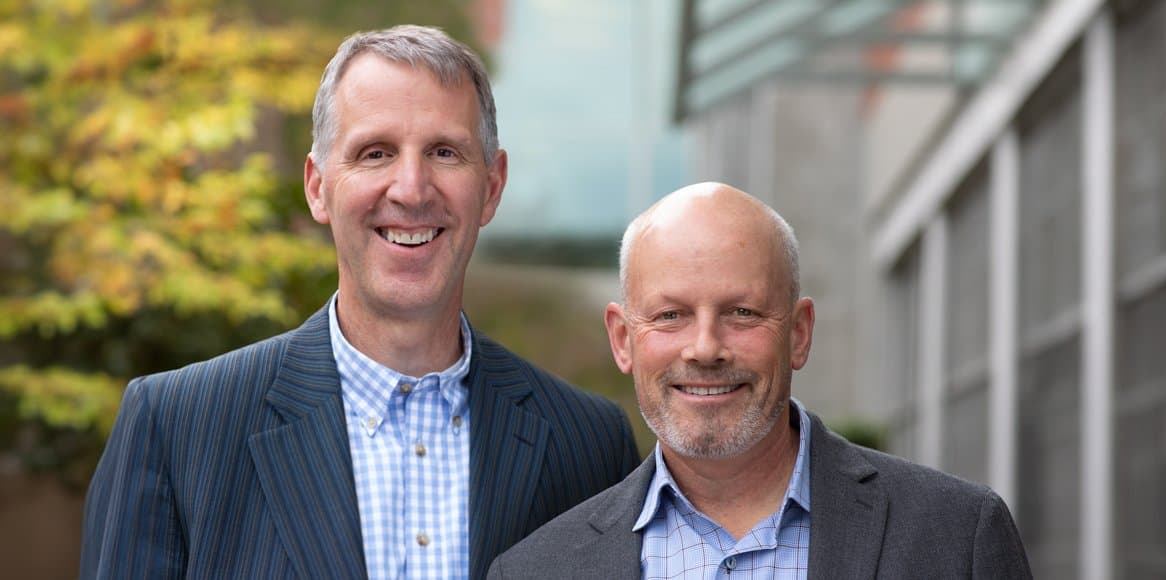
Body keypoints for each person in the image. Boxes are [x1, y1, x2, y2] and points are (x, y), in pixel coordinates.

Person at [80, 25, 639, 580]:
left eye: (444, 152)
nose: (411, 188)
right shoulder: (178, 428)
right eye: (375, 153)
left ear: (491, 187)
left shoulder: (586, 444)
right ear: (318, 186)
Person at [488, 182, 1032, 579]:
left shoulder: (958, 538)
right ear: (622, 339)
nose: (704, 348)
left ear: (798, 334)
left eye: (743, 313)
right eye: (670, 315)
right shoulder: (535, 569)